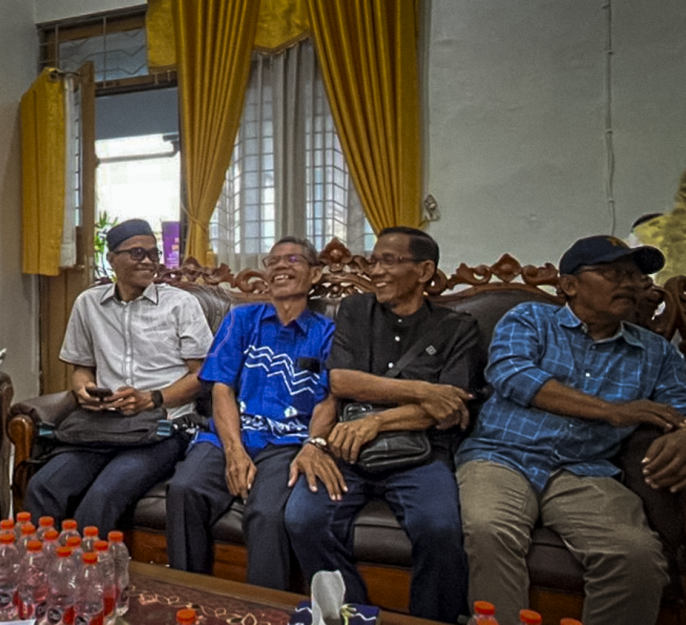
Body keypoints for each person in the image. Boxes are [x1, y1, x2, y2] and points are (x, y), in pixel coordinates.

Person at [456, 235, 682, 625]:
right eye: (614, 273)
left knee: (635, 555)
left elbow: (679, 404)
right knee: (490, 530)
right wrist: (612, 412)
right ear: (570, 284)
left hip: (586, 468)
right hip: (501, 456)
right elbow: (513, 375)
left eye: (635, 275)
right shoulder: (531, 319)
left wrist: (683, 433)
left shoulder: (656, 351)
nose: (630, 284)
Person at [284, 227, 481, 622]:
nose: (375, 271)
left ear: (424, 271)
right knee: (302, 518)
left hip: (420, 451)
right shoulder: (357, 310)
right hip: (347, 447)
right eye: (373, 261)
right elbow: (342, 380)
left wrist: (377, 421)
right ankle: (353, 614)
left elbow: (450, 407)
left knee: (440, 530)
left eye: (388, 261)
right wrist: (426, 389)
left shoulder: (458, 328)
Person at [166, 236, 335, 591]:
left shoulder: (327, 332)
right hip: (230, 435)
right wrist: (234, 450)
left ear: (315, 274)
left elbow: (328, 399)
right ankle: (187, 598)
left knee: (267, 514)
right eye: (273, 261)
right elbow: (221, 387)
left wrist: (314, 444)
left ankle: (265, 611)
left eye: (292, 259)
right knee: (184, 490)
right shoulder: (241, 319)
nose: (280, 267)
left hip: (288, 442)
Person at [24, 219, 213, 534]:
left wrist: (151, 399)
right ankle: (41, 574)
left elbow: (203, 375)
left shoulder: (180, 304)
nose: (149, 261)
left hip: (162, 427)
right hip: (103, 425)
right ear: (111, 259)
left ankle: (85, 580)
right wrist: (85, 390)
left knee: (101, 497)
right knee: (43, 487)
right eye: (137, 253)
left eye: (153, 254)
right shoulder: (89, 303)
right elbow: (82, 367)